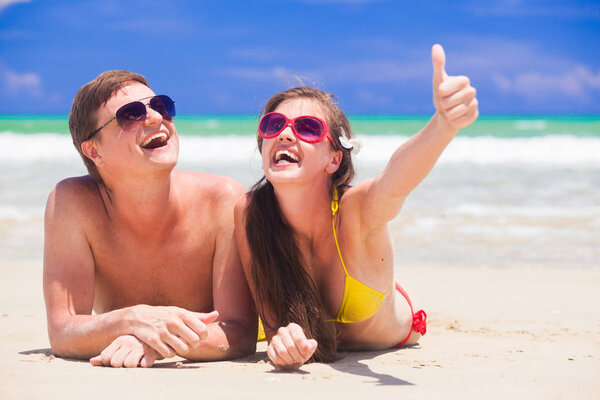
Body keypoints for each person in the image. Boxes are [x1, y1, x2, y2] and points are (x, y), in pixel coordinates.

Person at [234, 44, 478, 368]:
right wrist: (283, 340)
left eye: (307, 128)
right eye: (273, 125)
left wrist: (443, 127)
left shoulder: (356, 211)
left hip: (398, 324)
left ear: (334, 159)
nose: (286, 134)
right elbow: (275, 320)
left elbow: (395, 181)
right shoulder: (251, 213)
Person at [43, 70, 256, 368]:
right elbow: (63, 331)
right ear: (94, 150)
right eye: (130, 115)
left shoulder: (222, 201)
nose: (156, 117)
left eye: (161, 105)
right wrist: (134, 319)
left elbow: (240, 332)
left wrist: (154, 339)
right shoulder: (73, 203)